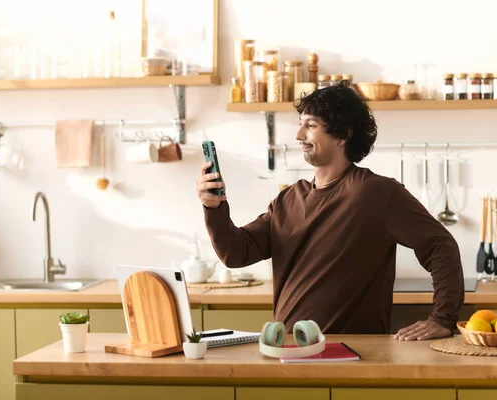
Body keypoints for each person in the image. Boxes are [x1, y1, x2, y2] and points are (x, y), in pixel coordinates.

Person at [196, 83, 464, 341]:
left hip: (353, 356)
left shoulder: (377, 193)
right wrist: (214, 207)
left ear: (343, 134)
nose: (299, 135)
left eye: (311, 125)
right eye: (300, 123)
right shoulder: (289, 199)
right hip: (290, 351)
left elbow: (440, 246)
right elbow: (236, 253)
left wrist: (442, 319)